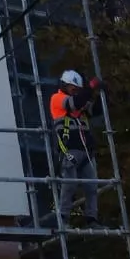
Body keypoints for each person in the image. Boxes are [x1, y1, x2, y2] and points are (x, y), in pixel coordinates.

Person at [50, 69, 103, 227]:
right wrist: (90, 87)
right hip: (69, 150)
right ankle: (64, 218)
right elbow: (75, 104)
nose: (75, 92)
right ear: (65, 86)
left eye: (77, 90)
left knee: (92, 186)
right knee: (70, 185)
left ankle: (92, 218)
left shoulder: (80, 101)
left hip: (86, 150)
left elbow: (95, 110)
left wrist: (102, 94)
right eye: (73, 89)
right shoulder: (57, 99)